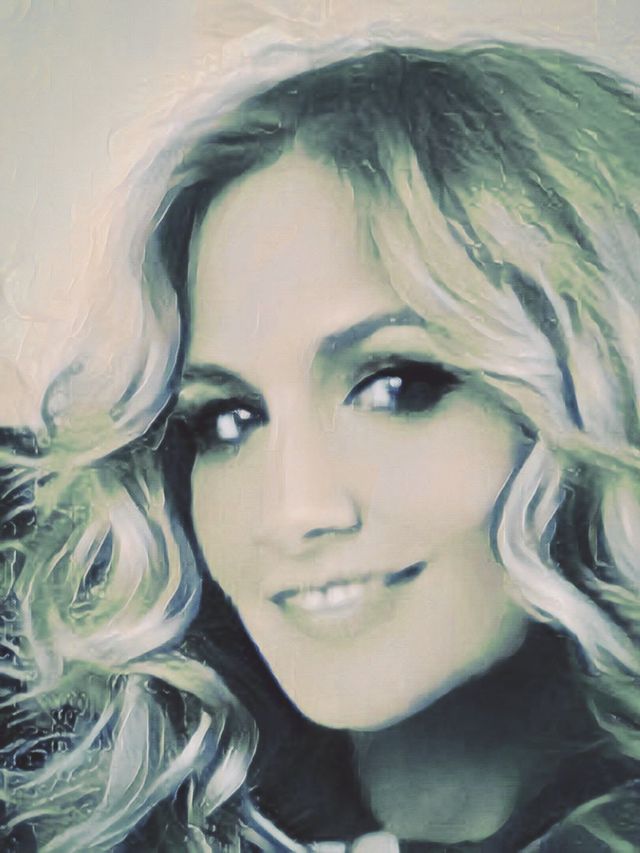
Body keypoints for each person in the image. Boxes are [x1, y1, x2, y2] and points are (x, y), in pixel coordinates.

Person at [1, 41, 639, 852]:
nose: (292, 510)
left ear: (603, 385)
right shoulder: (79, 770)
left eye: (396, 386)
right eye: (227, 418)